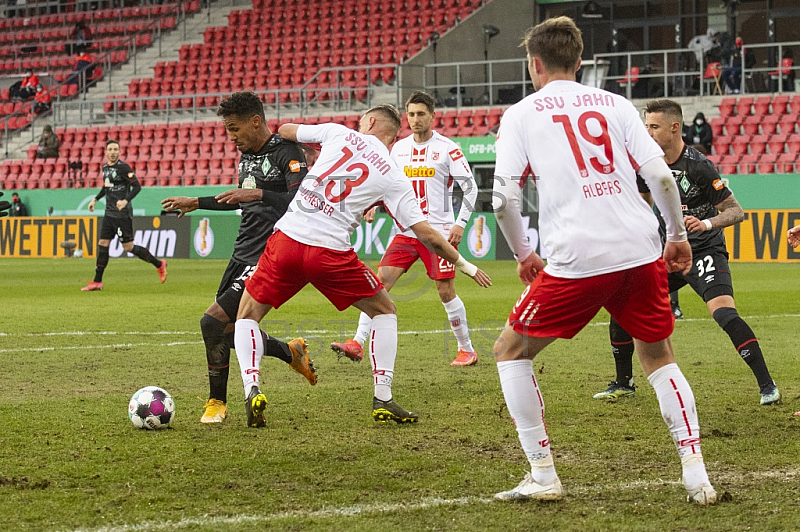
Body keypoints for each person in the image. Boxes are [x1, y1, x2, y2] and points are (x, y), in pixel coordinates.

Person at [490, 17, 716, 504]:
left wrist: (524, 254)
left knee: (510, 351)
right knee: (657, 356)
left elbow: (504, 200)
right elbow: (661, 177)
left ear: (535, 64)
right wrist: (675, 236)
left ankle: (544, 474)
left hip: (577, 256)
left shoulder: (522, 114)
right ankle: (696, 473)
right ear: (578, 61)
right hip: (639, 247)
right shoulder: (616, 104)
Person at [218, 104, 491, 428]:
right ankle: (383, 397)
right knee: (384, 309)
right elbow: (427, 234)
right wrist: (464, 265)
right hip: (331, 252)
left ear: (370, 122)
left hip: (289, 238)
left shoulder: (338, 133)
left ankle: (252, 389)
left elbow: (286, 129)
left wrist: (298, 143)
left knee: (246, 315)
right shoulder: (392, 174)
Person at [593, 99, 780, 406]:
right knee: (623, 304)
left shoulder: (699, 166)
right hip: (668, 253)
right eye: (646, 126)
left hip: (704, 250)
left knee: (723, 313)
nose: (648, 133)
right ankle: (624, 382)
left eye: (654, 127)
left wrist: (706, 223)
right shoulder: (647, 165)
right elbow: (641, 205)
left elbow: (736, 211)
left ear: (674, 127)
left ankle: (766, 384)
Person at [160, 91, 317, 425]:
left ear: (255, 121)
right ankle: (290, 352)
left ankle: (217, 402)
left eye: (234, 129)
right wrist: (197, 202)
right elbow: (239, 198)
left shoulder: (287, 152)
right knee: (228, 333)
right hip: (241, 252)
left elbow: (302, 201)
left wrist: (258, 192)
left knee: (211, 322)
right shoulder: (247, 155)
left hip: (269, 254)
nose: (231, 137)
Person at [330, 90, 480, 367]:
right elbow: (385, 182)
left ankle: (466, 349)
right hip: (406, 231)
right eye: (411, 114)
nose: (415, 119)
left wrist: (460, 223)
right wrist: (372, 203)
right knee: (379, 283)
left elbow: (470, 188)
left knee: (445, 292)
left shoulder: (448, 148)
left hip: (439, 232)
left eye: (421, 114)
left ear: (433, 116)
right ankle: (357, 342)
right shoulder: (398, 149)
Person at [81, 139, 167, 291]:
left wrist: (125, 201)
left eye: (116, 149)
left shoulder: (123, 168)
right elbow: (106, 187)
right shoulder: (105, 168)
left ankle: (159, 264)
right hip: (109, 214)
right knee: (103, 244)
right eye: (110, 149)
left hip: (122, 215)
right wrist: (95, 199)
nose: (113, 152)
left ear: (119, 152)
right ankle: (97, 282)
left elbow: (137, 187)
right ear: (106, 152)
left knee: (128, 247)